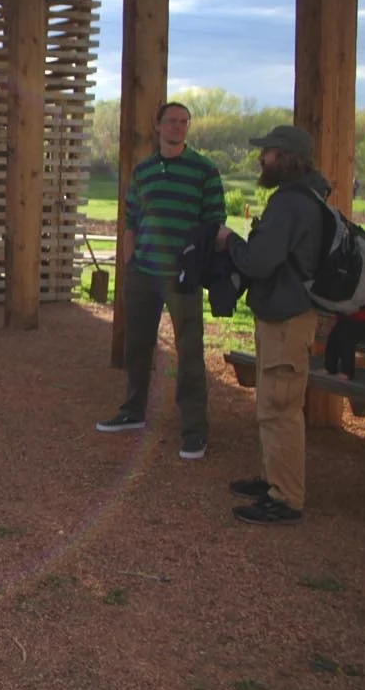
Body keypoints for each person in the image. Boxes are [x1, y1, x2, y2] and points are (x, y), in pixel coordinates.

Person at [96, 101, 226, 461]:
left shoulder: (204, 170)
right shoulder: (144, 171)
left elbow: (213, 224)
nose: (178, 127)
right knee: (137, 345)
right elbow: (131, 220)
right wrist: (129, 264)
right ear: (158, 126)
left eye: (184, 122)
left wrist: (199, 266)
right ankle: (133, 411)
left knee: (189, 351)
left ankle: (194, 430)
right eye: (172, 121)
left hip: (181, 275)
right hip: (143, 272)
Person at [216, 125, 330, 526]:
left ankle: (285, 498)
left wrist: (230, 241)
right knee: (273, 401)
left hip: (287, 319)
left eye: (267, 152)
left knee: (280, 408)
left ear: (285, 156)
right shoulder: (308, 196)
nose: (261, 158)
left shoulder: (290, 203)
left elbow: (259, 262)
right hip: (284, 316)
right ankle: (271, 480)